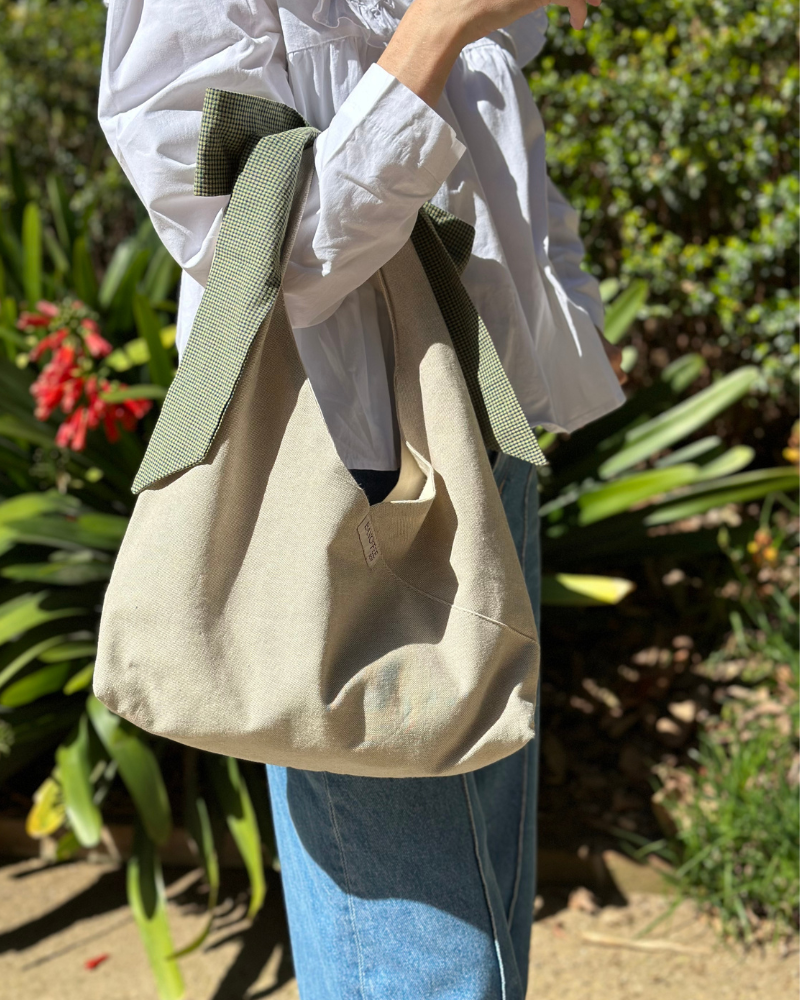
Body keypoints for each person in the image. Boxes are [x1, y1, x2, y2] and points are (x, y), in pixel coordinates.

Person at [99, 1, 627, 996]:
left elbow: (490, 156)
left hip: (482, 443)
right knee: (433, 964)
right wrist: (433, 33)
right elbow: (263, 245)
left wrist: (563, 310)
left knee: (474, 932)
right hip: (348, 474)